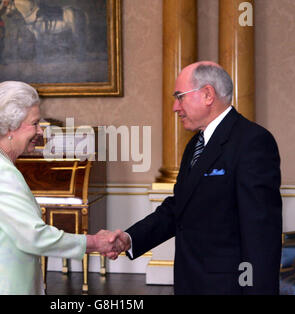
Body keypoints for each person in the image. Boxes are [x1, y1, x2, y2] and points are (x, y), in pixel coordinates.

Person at [108, 61, 283, 295]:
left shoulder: (253, 142)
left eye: (180, 97)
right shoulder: (195, 145)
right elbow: (179, 208)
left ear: (208, 94)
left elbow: (260, 235)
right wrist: (130, 238)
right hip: (190, 282)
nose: (174, 107)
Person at [0, 81, 117, 294]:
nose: (40, 131)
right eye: (35, 123)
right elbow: (34, 237)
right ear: (9, 126)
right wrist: (93, 242)